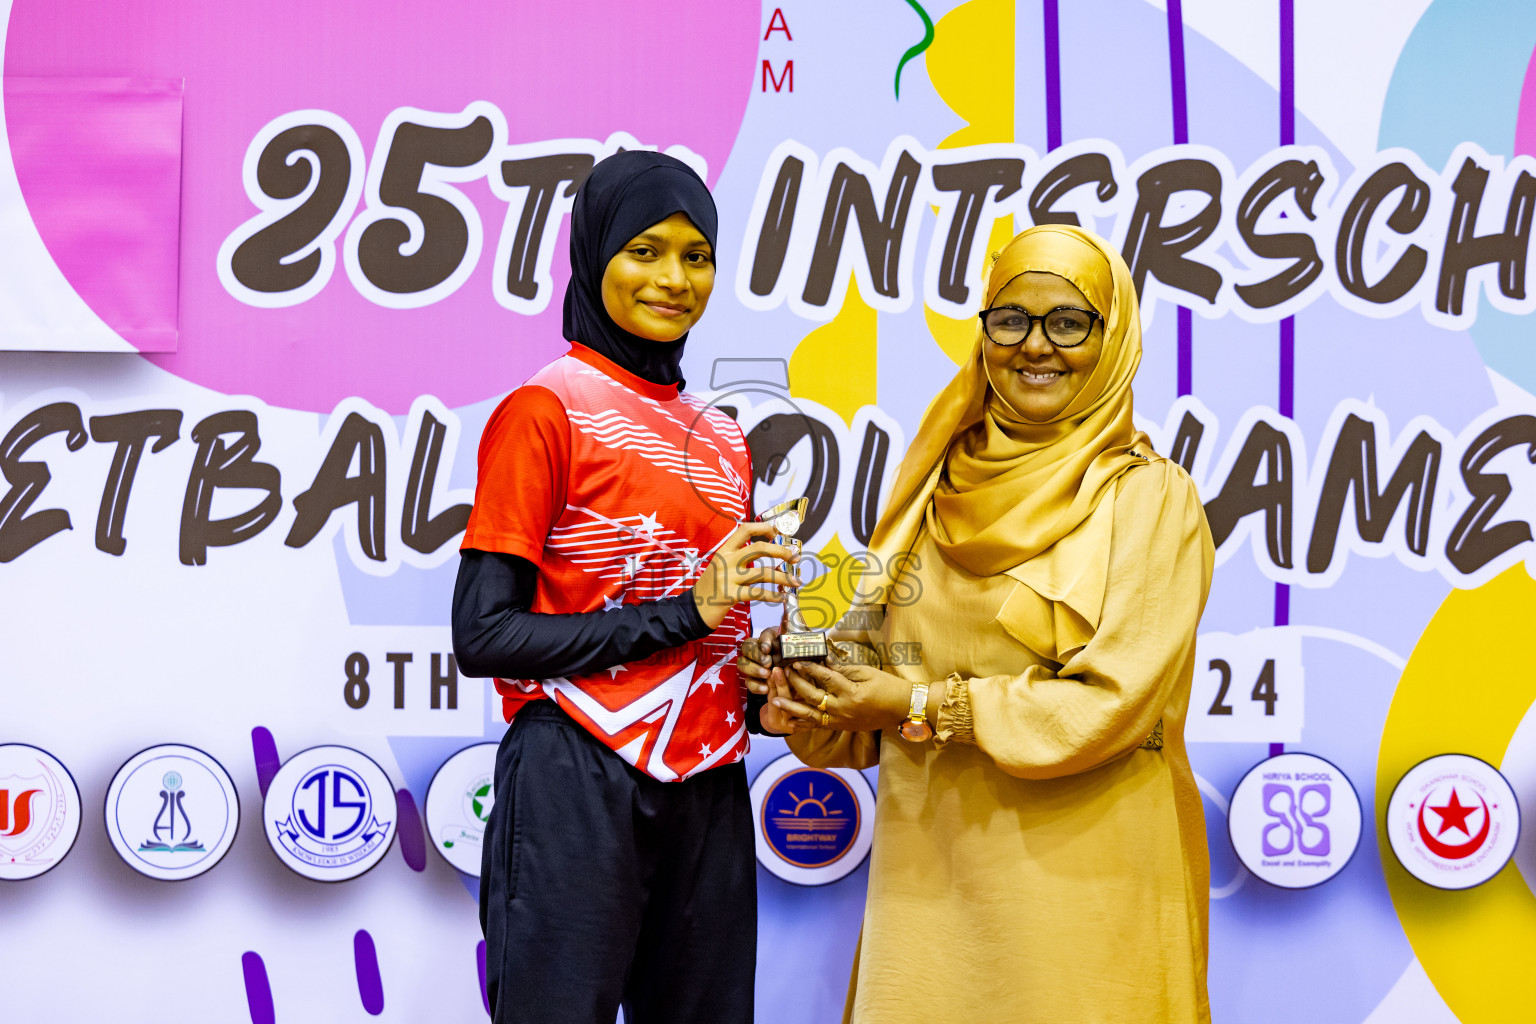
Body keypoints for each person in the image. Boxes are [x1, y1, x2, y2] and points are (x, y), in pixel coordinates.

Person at [741, 224, 1216, 1023]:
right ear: (984, 331)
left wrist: (917, 708)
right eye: (1011, 319)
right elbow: (882, 666)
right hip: (930, 880)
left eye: (1069, 322)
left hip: (1083, 884)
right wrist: (804, 676)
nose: (1037, 346)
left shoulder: (1149, 500)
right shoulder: (934, 483)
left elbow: (1112, 706)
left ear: (1114, 338)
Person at [454, 149, 796, 1024]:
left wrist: (759, 681)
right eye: (645, 250)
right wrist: (685, 614)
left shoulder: (723, 437)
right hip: (575, 769)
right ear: (594, 251)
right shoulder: (546, 409)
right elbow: (483, 635)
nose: (673, 278)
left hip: (711, 781)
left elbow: (710, 633)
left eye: (697, 255)